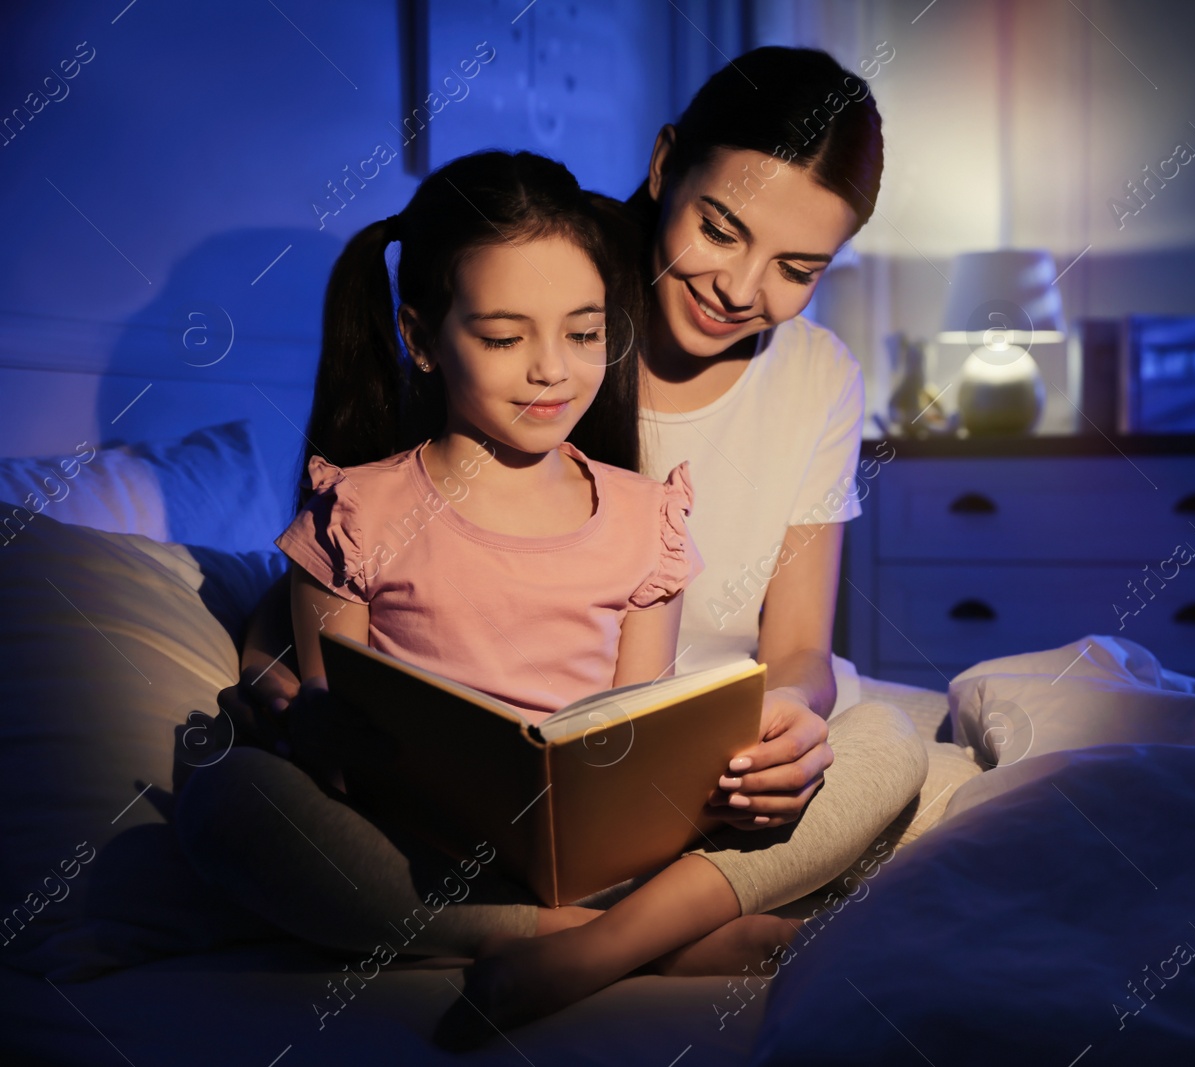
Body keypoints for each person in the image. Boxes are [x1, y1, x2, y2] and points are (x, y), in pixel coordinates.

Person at [180, 49, 945, 1045]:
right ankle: (607, 930)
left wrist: (792, 728)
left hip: (687, 758)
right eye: (721, 228)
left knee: (888, 740)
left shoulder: (815, 373)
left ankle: (598, 943)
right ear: (666, 163)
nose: (740, 287)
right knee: (229, 801)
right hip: (477, 760)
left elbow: (799, 648)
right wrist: (283, 676)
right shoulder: (540, 314)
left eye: (799, 269)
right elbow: (346, 557)